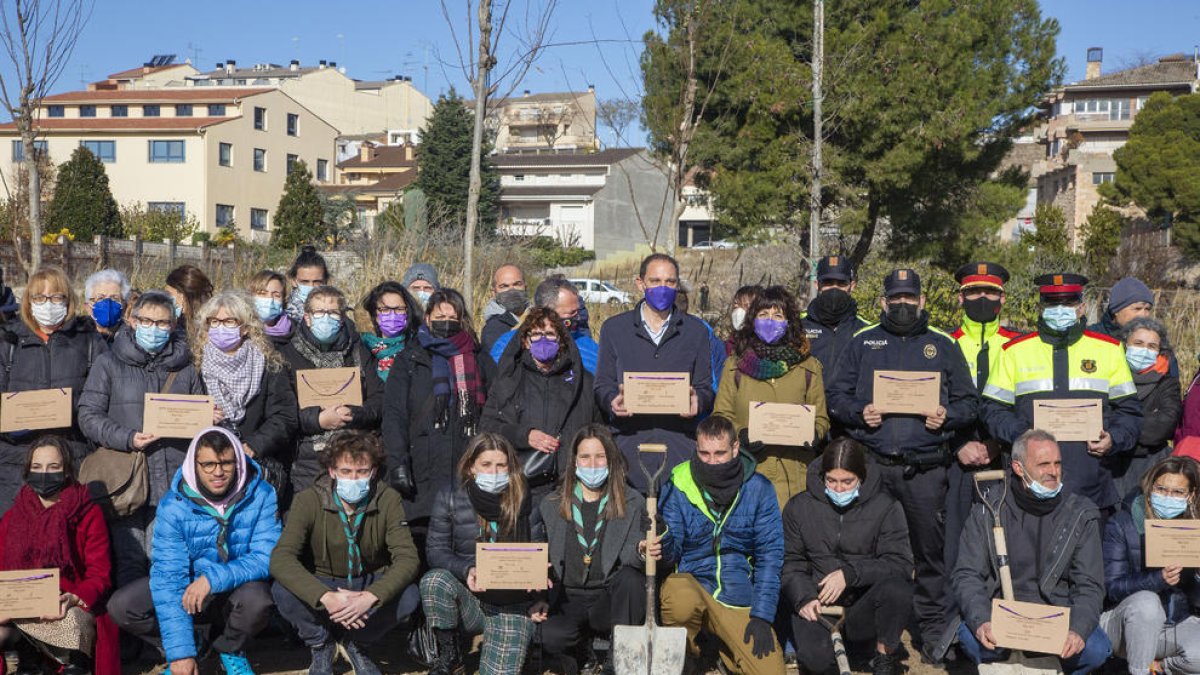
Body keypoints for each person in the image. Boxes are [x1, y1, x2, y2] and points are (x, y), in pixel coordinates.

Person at [826, 268, 978, 656]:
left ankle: (931, 634)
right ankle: (864, 634)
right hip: (873, 466)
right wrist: (861, 412)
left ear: (922, 301)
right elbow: (836, 396)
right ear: (883, 302)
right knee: (863, 550)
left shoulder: (942, 344)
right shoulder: (864, 342)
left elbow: (968, 402)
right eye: (895, 299)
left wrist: (949, 415)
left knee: (930, 556)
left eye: (910, 298)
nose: (903, 305)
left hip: (925, 469)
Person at [109, 428, 279, 675]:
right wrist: (181, 654)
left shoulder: (261, 493)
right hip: (188, 588)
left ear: (238, 461)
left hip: (235, 586)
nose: (218, 472)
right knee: (123, 606)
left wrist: (212, 579)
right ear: (194, 464)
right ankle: (193, 646)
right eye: (208, 464)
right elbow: (169, 577)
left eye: (226, 463)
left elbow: (266, 557)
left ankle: (230, 650)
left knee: (258, 600)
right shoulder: (173, 505)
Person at [951, 430, 1111, 674]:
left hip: (1056, 616)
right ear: (1017, 467)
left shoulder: (1080, 512)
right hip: (1003, 614)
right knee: (972, 638)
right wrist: (982, 620)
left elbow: (1090, 584)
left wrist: (1077, 630)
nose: (1053, 471)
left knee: (1096, 649)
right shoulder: (987, 509)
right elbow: (967, 574)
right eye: (1043, 464)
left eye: (1057, 463)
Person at [983, 273, 1142, 514]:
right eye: (1052, 304)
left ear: (1081, 307)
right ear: (1040, 308)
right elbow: (992, 410)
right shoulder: (1013, 351)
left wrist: (1113, 439)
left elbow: (1130, 412)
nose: (1060, 310)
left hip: (1091, 486)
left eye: (1067, 304)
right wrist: (1022, 435)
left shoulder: (1108, 350)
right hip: (1030, 487)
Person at [77, 290, 205, 585]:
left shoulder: (186, 368)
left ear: (173, 326)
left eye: (162, 323)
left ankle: (165, 628)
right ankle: (134, 626)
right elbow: (88, 416)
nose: (154, 328)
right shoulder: (108, 363)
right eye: (147, 321)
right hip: (126, 481)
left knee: (168, 561)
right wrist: (128, 437)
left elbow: (199, 418)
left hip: (174, 480)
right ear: (132, 321)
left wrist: (205, 418)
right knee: (130, 561)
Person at [270, 431, 420, 675]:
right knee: (281, 589)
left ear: (373, 472)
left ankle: (358, 643)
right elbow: (281, 558)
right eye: (346, 471)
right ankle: (321, 644)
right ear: (332, 471)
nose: (354, 478)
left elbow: (407, 558)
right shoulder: (308, 500)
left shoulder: (388, 499)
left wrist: (371, 596)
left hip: (368, 580)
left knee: (410, 596)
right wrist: (325, 597)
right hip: (323, 579)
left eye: (362, 472)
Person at [655, 415, 785, 674]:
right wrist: (663, 534)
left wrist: (762, 615)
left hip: (738, 594)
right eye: (704, 453)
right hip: (692, 582)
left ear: (735, 448)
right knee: (678, 596)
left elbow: (770, 556)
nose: (712, 461)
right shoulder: (678, 483)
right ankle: (690, 655)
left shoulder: (759, 488)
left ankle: (719, 648)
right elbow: (671, 555)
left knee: (771, 671)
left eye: (719, 453)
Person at [782, 438, 913, 675]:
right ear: (822, 476)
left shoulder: (886, 506)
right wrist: (803, 597)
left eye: (847, 481)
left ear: (861, 478)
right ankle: (833, 649)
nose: (839, 489)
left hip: (861, 607)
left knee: (898, 589)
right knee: (817, 662)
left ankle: (883, 659)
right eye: (831, 481)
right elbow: (791, 562)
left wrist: (850, 574)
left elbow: (900, 564)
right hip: (818, 605)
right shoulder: (799, 507)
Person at [418, 433, 545, 675]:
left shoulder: (527, 500)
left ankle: (519, 644)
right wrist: (466, 571)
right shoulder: (450, 496)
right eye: (486, 465)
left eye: (501, 465)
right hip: (470, 596)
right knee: (434, 581)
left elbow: (539, 550)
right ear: (471, 467)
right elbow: (436, 550)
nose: (494, 471)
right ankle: (451, 655)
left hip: (512, 602)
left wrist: (541, 589)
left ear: (511, 467)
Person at [594, 253, 715, 490]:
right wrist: (612, 401)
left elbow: (705, 388)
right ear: (640, 283)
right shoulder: (614, 329)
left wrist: (697, 402)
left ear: (677, 285)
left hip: (680, 445)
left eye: (670, 282)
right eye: (655, 281)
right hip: (628, 445)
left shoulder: (695, 331)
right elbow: (602, 385)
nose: (663, 288)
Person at [0, 436, 118, 675]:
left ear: (66, 472)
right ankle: (28, 657)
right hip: (20, 606)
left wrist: (74, 598)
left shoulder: (87, 512)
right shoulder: (13, 515)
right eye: (37, 467)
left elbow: (100, 574)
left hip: (66, 603)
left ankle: (73, 663)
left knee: (74, 621)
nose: (44, 474)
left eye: (53, 467)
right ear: (27, 471)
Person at [383, 288, 488, 552]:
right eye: (439, 316)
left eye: (453, 317)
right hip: (422, 473)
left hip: (465, 470)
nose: (446, 322)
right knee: (421, 549)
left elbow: (493, 412)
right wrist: (398, 463)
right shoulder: (410, 359)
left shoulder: (479, 358)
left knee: (464, 549)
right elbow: (394, 416)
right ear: (428, 318)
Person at [538, 425, 647, 672]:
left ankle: (617, 657)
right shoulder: (551, 504)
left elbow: (633, 554)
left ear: (611, 459)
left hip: (606, 599)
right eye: (585, 457)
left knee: (631, 579)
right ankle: (580, 649)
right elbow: (539, 555)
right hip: (567, 598)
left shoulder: (631, 501)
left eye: (600, 456)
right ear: (574, 461)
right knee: (547, 635)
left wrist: (641, 550)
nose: (593, 464)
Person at [0, 266, 106, 512]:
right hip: (17, 461)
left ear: (68, 300)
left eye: (57, 297)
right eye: (40, 297)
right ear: (28, 301)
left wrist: (70, 412)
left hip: (72, 457)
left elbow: (102, 400)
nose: (48, 304)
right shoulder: (8, 342)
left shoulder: (89, 341)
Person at [714, 285, 830, 507]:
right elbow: (721, 414)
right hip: (750, 469)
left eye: (778, 315)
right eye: (763, 314)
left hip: (795, 472)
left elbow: (821, 417)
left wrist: (815, 433)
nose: (770, 321)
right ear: (753, 319)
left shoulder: (809, 366)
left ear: (789, 322)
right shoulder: (734, 365)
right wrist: (740, 435)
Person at [945, 262, 1021, 572]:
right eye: (973, 291)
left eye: (990, 292)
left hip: (1004, 456)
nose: (982, 298)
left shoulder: (1018, 345)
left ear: (1003, 298)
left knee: (1006, 543)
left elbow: (1022, 405)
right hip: (954, 458)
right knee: (954, 543)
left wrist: (998, 445)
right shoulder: (943, 343)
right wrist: (958, 444)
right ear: (960, 298)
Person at [481, 308, 600, 502]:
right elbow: (488, 427)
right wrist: (524, 435)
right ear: (525, 341)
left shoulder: (583, 382)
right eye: (536, 334)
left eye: (550, 334)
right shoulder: (509, 380)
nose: (543, 340)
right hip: (522, 485)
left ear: (561, 340)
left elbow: (598, 430)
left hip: (570, 487)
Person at [192, 291, 298, 503]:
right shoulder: (194, 364)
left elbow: (285, 416)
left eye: (230, 321)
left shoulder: (269, 363)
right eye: (215, 321)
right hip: (210, 471)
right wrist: (200, 415)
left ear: (246, 328)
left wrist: (253, 446)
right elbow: (180, 412)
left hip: (256, 467)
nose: (221, 327)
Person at [278, 286, 383, 493]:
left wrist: (354, 414)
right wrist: (317, 419)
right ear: (307, 317)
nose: (325, 318)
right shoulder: (287, 355)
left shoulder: (359, 351)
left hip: (355, 452)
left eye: (333, 313)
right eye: (319, 312)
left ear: (343, 318)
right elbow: (282, 410)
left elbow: (379, 399)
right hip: (307, 459)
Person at [1100, 456, 1200, 675]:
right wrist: (1158, 579)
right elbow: (1113, 587)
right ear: (1150, 487)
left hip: (1173, 623)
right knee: (1147, 603)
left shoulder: (1195, 528)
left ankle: (1159, 668)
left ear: (1191, 494)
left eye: (1177, 492)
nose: (1167, 497)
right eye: (1161, 489)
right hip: (1125, 623)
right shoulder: (1122, 523)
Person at [1113, 318, 1181, 500]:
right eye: (1138, 343)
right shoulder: (1109, 374)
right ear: (1125, 344)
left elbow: (1164, 425)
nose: (1144, 350)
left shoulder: (1167, 380)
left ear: (1160, 351)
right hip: (1111, 466)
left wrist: (1120, 429)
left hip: (1151, 464)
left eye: (1152, 346)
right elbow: (1100, 418)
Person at [489, 276, 600, 374]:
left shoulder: (588, 345)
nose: (578, 317)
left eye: (578, 311)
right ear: (547, 312)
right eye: (571, 313)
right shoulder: (508, 344)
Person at [800, 256, 869, 375]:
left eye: (841, 283)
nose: (834, 288)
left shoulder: (866, 332)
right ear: (817, 284)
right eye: (828, 282)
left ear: (852, 286)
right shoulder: (796, 326)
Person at [360, 280, 422, 382]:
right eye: (385, 309)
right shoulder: (361, 347)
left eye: (399, 309)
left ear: (407, 312)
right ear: (374, 314)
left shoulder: (418, 347)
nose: (392, 315)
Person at [481, 264, 529, 354]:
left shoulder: (541, 317)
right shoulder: (493, 329)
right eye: (504, 286)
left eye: (517, 284)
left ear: (525, 287)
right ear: (494, 293)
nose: (512, 290)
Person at [1090, 276, 1155, 338]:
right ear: (1116, 311)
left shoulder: (1153, 340)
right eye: (1137, 308)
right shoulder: (1091, 337)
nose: (1143, 315)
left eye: (1147, 309)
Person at [84, 268, 131, 343]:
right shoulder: (76, 340)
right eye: (100, 298)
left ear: (125, 307)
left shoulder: (133, 341)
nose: (108, 303)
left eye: (115, 298)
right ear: (88, 307)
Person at [249, 270, 294, 347]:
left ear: (283, 300)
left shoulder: (294, 331)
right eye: (262, 293)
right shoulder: (241, 332)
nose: (269, 299)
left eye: (276, 295)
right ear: (251, 296)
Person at [165, 264, 214, 333]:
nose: (166, 298)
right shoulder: (171, 324)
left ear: (183, 295)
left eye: (169, 294)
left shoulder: (211, 326)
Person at [285, 246, 330, 320]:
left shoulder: (335, 312)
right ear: (293, 281)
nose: (311, 286)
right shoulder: (284, 315)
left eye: (317, 282)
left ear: (325, 281)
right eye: (304, 282)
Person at [725, 284, 763, 355]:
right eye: (736, 304)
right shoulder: (731, 342)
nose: (737, 309)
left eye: (745, 305)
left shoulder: (764, 345)